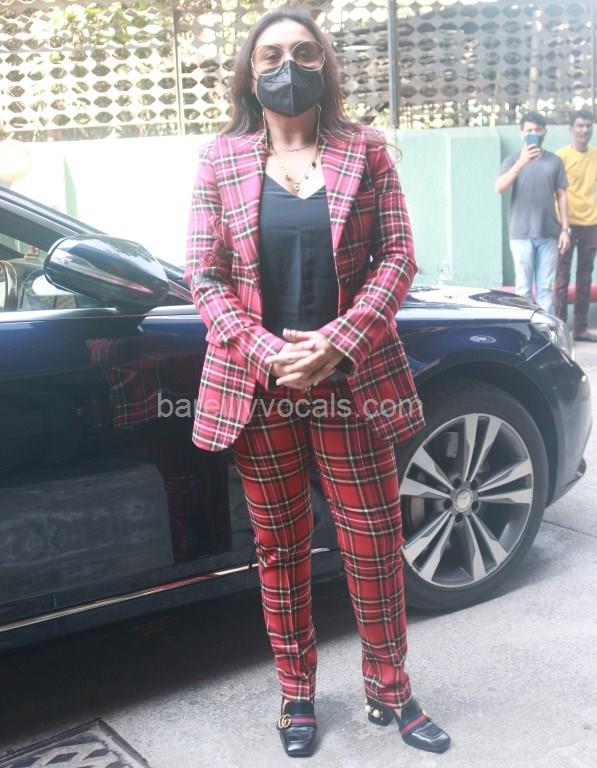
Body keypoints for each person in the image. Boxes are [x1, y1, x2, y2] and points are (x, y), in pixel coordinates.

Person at [184, 9, 450, 759]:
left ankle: (389, 688)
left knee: (373, 542)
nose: (287, 66)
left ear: (325, 66)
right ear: (248, 73)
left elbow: (397, 258)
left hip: (349, 380)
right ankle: (296, 692)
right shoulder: (219, 159)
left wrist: (339, 341)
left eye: (304, 52)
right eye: (270, 54)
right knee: (280, 548)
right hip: (259, 385)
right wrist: (265, 350)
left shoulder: (366, 151)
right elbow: (203, 275)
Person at [495, 111, 571, 314]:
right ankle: (525, 329)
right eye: (529, 130)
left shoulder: (555, 161)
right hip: (520, 234)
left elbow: (562, 195)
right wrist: (521, 163)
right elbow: (499, 187)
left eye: (538, 130)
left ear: (545, 132)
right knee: (523, 289)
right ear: (521, 133)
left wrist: (565, 229)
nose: (534, 133)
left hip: (549, 233)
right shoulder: (513, 160)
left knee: (545, 289)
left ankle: (544, 331)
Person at [553, 110, 597, 342]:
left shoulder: (595, 155)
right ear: (571, 129)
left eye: (588, 125)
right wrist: (562, 226)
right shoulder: (561, 157)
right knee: (562, 277)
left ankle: (580, 328)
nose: (584, 130)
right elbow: (556, 191)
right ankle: (561, 328)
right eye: (580, 125)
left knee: (585, 276)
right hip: (565, 225)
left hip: (591, 224)